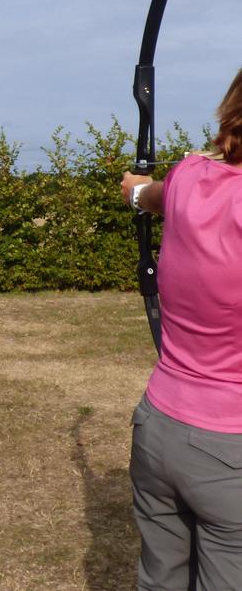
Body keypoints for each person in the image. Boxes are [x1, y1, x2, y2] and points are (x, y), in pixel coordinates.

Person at [121, 67, 242, 591]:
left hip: (158, 427)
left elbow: (146, 195)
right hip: (230, 448)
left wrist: (134, 192)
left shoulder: (188, 177)